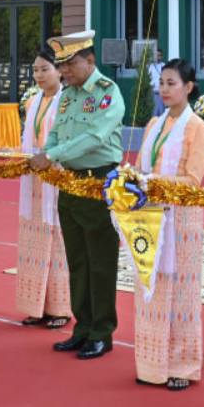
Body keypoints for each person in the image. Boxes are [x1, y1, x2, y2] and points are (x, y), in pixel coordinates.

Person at [29, 30, 125, 360]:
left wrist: (52, 155)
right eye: (62, 65)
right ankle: (82, 327)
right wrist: (47, 150)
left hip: (97, 181)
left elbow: (96, 136)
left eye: (70, 64)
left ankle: (102, 332)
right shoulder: (68, 95)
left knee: (100, 262)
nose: (64, 71)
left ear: (90, 60)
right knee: (78, 260)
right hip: (69, 181)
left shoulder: (107, 92)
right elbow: (57, 131)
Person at [132, 58, 204, 390]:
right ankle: (151, 363)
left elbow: (193, 180)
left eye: (171, 83)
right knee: (151, 286)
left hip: (181, 217)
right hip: (150, 216)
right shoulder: (154, 123)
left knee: (181, 292)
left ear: (188, 87)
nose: (163, 90)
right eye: (161, 83)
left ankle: (183, 365)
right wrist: (132, 180)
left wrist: (152, 182)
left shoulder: (198, 127)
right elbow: (141, 165)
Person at [16, 45, 72, 328]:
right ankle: (36, 305)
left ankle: (59, 308)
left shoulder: (67, 101)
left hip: (58, 177)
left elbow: (68, 140)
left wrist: (50, 158)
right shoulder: (32, 101)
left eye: (44, 69)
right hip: (35, 180)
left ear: (59, 71)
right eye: (35, 70)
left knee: (58, 241)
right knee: (35, 240)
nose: (38, 75)